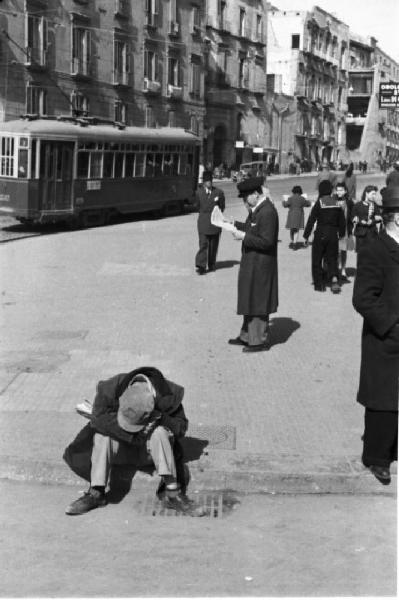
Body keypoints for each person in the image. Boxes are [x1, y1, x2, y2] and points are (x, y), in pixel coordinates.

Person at [63, 366, 204, 516]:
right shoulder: (111, 389)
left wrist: (161, 418)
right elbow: (97, 421)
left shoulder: (169, 394)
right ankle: (96, 493)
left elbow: (181, 428)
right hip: (121, 450)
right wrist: (133, 435)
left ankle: (172, 493)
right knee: (102, 436)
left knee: (160, 433)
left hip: (150, 454)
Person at [352, 185, 399, 485]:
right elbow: (363, 298)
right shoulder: (376, 248)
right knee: (382, 400)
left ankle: (390, 450)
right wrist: (392, 326)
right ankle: (377, 459)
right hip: (385, 337)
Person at [227, 177, 279, 352]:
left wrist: (243, 237)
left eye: (245, 197)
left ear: (255, 194)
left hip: (261, 265)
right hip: (253, 262)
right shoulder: (258, 209)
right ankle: (247, 336)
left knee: (258, 301)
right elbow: (253, 229)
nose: (244, 201)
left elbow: (267, 242)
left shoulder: (267, 212)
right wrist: (234, 224)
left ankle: (258, 341)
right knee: (250, 298)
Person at [303, 179, 346, 293]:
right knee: (332, 258)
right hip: (333, 234)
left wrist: (306, 235)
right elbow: (342, 222)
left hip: (320, 233)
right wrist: (341, 234)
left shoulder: (320, 202)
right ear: (331, 190)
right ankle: (334, 279)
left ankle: (319, 285)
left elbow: (311, 219)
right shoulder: (337, 203)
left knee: (317, 259)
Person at [195, 170, 225, 274]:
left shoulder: (219, 193)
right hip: (203, 221)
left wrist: (216, 214)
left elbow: (222, 206)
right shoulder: (198, 193)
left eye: (210, 181)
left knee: (213, 244)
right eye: (207, 181)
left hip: (215, 222)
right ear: (203, 182)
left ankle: (211, 263)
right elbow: (197, 206)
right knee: (203, 244)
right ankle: (201, 266)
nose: (209, 183)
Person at [333, 181, 355, 282]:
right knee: (336, 251)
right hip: (335, 230)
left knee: (344, 251)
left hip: (346, 230)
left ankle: (343, 269)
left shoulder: (349, 202)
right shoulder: (332, 201)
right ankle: (336, 270)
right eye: (337, 190)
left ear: (345, 191)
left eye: (341, 190)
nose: (339, 192)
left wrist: (355, 220)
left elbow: (354, 214)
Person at [352, 185, 383, 253]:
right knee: (361, 257)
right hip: (360, 235)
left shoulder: (375, 206)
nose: (374, 196)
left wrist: (372, 221)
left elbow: (379, 219)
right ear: (366, 193)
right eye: (372, 194)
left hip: (372, 235)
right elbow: (352, 218)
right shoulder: (357, 205)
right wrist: (360, 221)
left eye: (375, 194)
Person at [282, 185, 311, 250]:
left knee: (292, 229)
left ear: (293, 191)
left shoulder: (290, 198)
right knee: (296, 230)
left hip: (291, 215)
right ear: (300, 191)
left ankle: (293, 242)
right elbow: (308, 204)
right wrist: (307, 199)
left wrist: (283, 201)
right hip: (299, 215)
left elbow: (285, 205)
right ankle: (294, 243)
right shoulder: (302, 198)